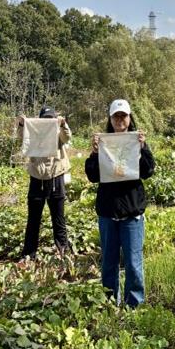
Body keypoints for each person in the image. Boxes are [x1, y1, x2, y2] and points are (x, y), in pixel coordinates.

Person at [85, 99, 155, 308]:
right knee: (109, 262)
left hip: (132, 212)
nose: (119, 120)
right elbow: (92, 175)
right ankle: (109, 302)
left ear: (129, 118)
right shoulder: (103, 144)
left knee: (133, 262)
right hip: (108, 212)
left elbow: (148, 171)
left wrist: (143, 148)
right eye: (116, 116)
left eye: (123, 116)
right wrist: (95, 153)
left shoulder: (137, 142)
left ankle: (134, 304)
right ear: (110, 119)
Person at [17, 106, 71, 260]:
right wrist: (22, 124)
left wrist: (63, 125)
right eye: (45, 119)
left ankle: (63, 252)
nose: (48, 122)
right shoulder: (34, 132)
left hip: (56, 176)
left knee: (58, 218)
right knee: (33, 218)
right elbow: (22, 137)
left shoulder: (58, 132)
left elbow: (67, 137)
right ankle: (29, 254)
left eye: (51, 119)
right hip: (37, 177)